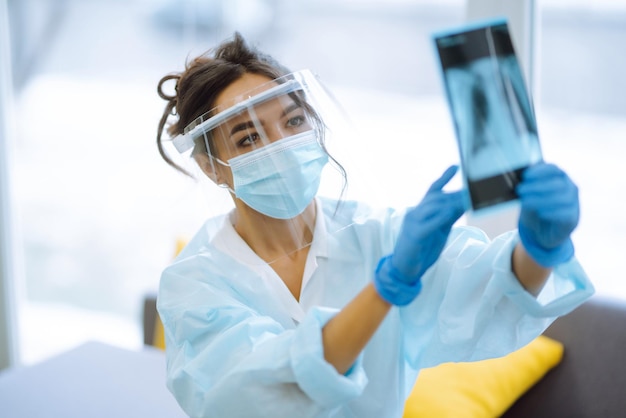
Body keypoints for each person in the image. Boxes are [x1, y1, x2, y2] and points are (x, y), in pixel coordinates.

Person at [155, 32, 594, 418]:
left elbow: (487, 291)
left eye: (293, 121)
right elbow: (252, 397)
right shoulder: (193, 283)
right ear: (212, 168)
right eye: (249, 138)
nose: (283, 146)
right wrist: (387, 287)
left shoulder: (377, 235)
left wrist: (539, 244)